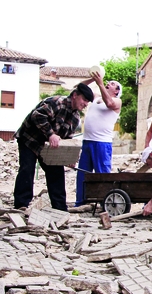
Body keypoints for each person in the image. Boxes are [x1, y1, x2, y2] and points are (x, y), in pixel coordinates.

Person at [13, 84, 94, 211]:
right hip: (30, 140)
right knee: (27, 169)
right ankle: (21, 205)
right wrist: (50, 134)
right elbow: (37, 115)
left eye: (87, 102)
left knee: (56, 172)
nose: (85, 104)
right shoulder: (56, 102)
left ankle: (60, 208)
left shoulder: (75, 118)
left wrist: (68, 158)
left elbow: (67, 140)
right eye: (84, 99)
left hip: (49, 147)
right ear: (75, 95)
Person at [75, 73, 122, 207]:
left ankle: (104, 203)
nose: (109, 83)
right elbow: (80, 87)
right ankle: (81, 202)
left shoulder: (118, 101)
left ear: (117, 91)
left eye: (113, 84)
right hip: (88, 141)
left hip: (102, 143)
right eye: (109, 82)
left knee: (102, 174)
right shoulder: (96, 98)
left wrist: (100, 83)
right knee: (83, 174)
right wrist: (93, 79)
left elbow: (109, 103)